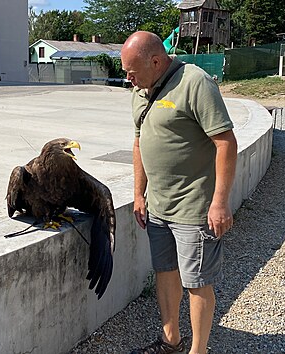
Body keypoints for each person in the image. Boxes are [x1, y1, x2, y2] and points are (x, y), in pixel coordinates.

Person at [122, 31, 238, 354]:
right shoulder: (140, 91)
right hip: (158, 207)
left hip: (194, 208)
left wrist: (219, 202)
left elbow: (225, 142)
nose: (127, 78)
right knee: (165, 272)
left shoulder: (195, 83)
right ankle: (170, 340)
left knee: (197, 283)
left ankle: (198, 351)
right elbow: (138, 142)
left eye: (132, 71)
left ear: (156, 62)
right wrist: (139, 193)